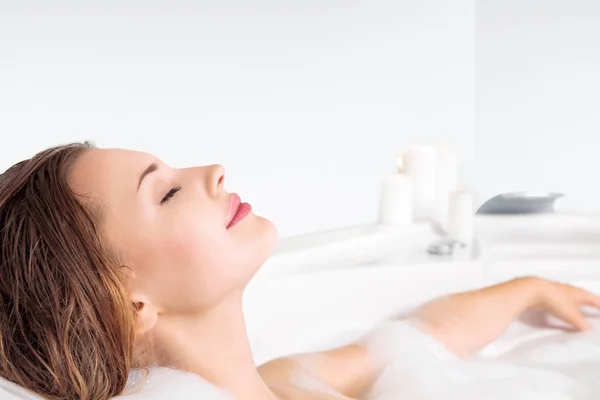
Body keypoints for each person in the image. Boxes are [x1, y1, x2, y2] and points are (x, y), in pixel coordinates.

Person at [0, 141, 598, 400]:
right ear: (127, 303)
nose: (213, 171)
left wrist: (530, 288)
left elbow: (421, 335)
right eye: (166, 194)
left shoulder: (281, 381)